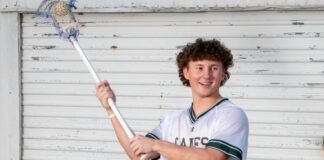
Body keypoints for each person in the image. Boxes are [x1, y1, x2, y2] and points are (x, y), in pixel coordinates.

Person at [96, 38, 249, 160]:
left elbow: (212, 158)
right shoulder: (172, 119)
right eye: (199, 67)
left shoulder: (231, 114)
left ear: (223, 73)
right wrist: (111, 111)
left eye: (214, 68)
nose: (207, 75)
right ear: (186, 72)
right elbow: (139, 156)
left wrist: (156, 145)